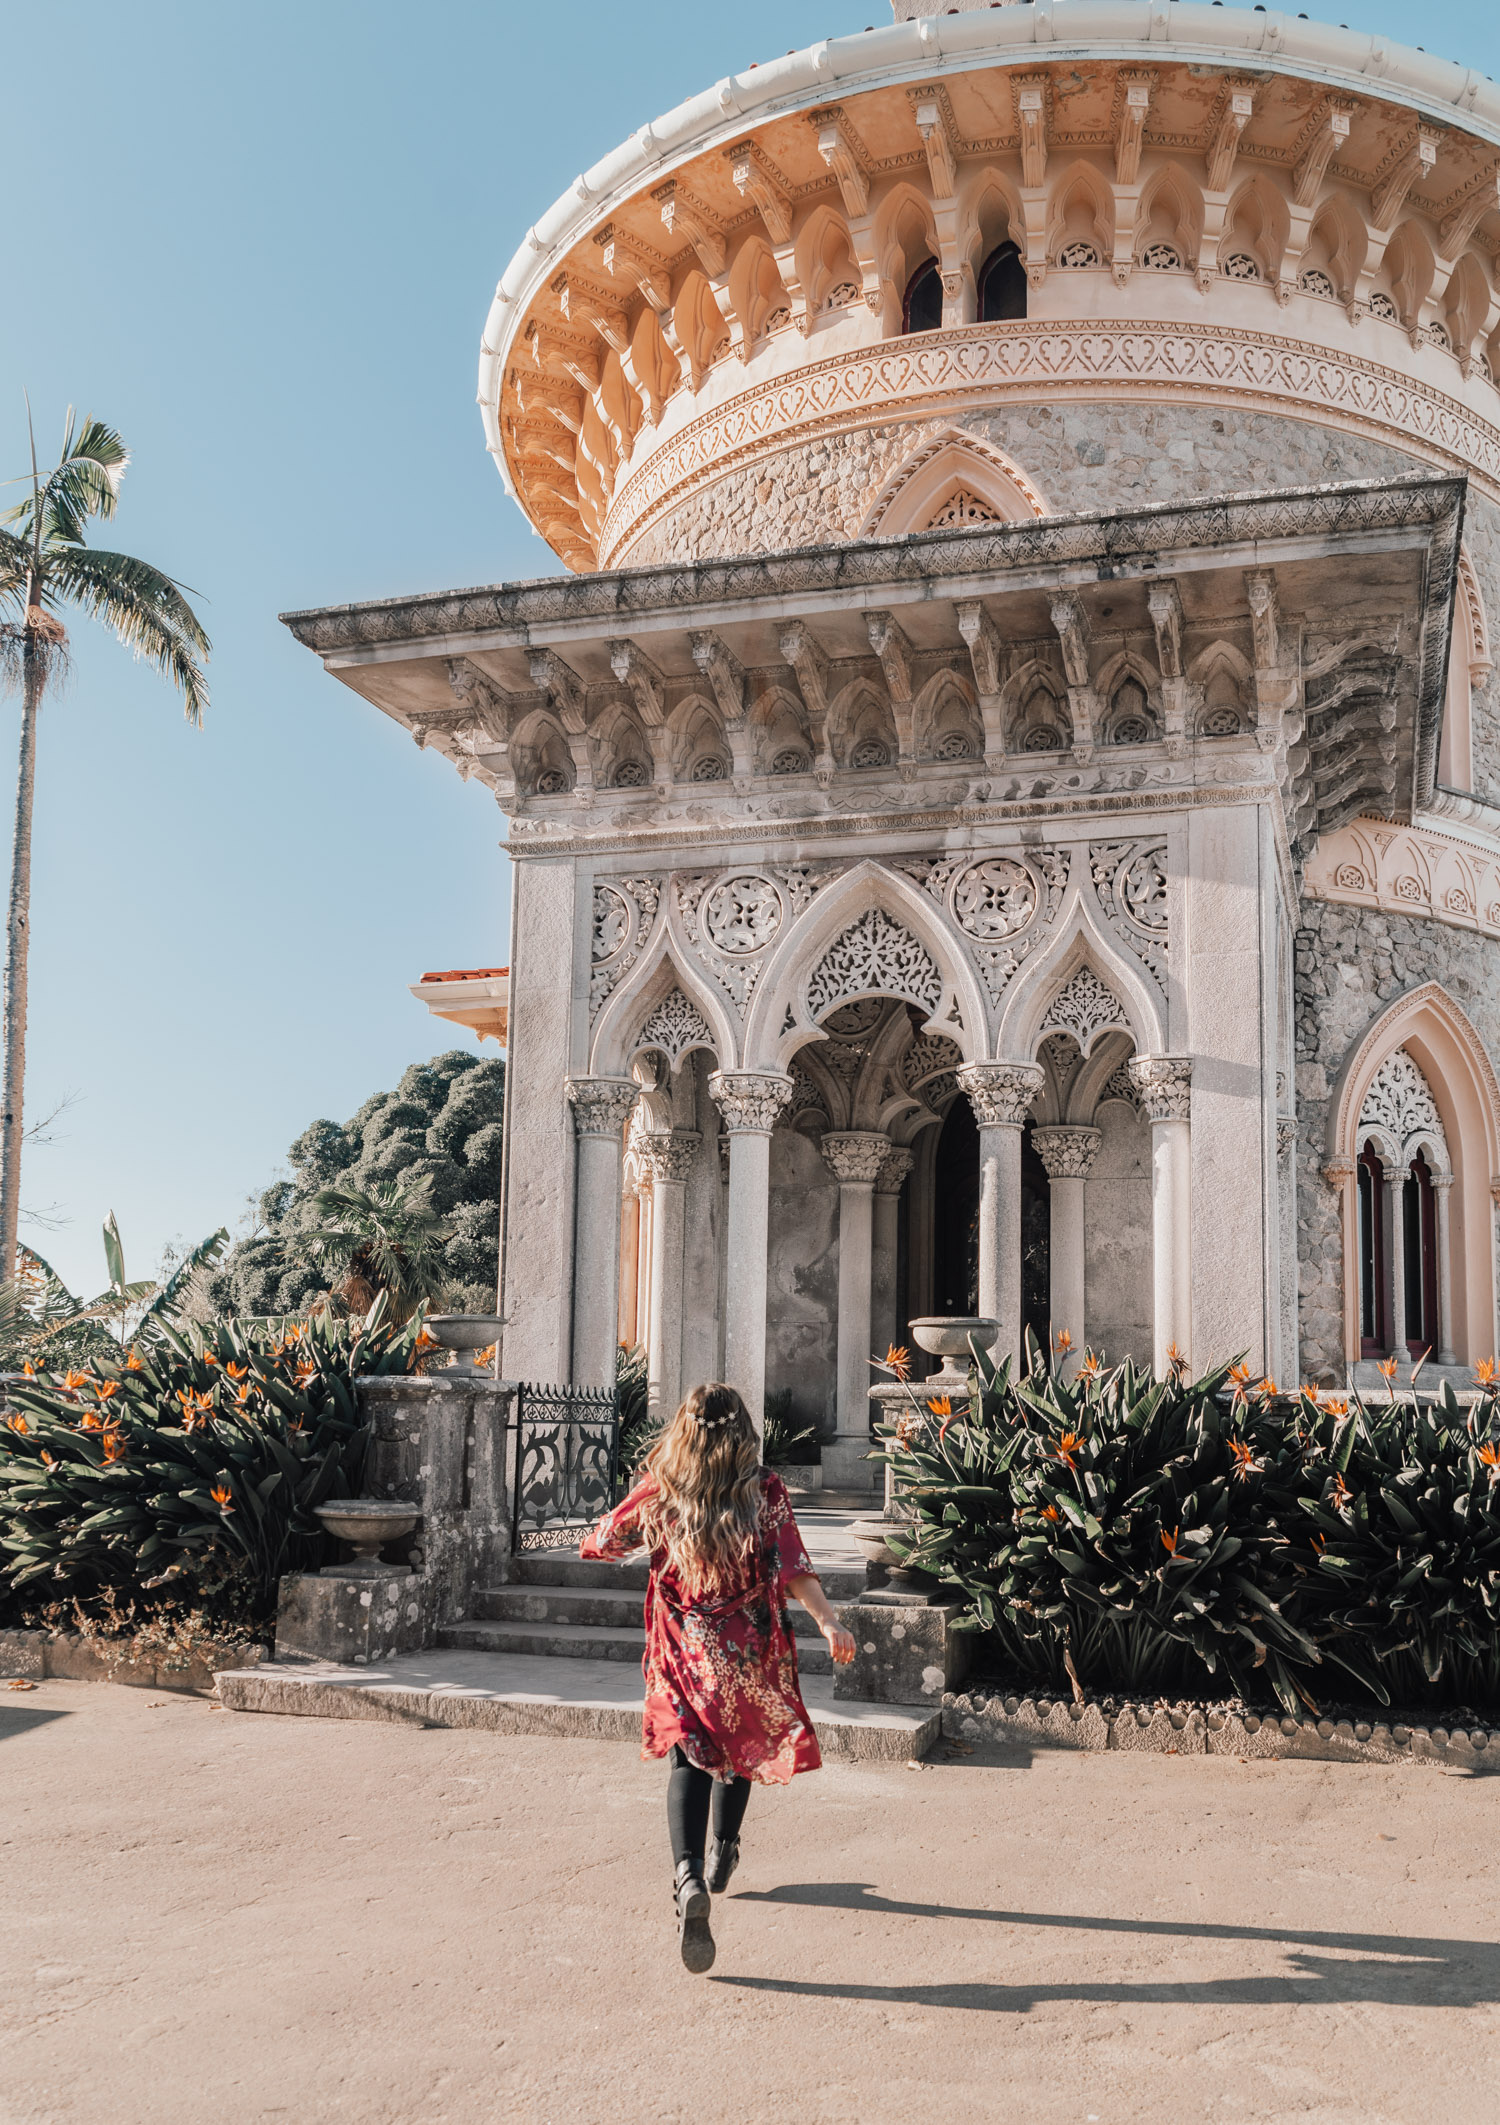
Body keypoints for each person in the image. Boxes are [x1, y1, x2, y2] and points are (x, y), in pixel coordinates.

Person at [580, 1380, 857, 1973]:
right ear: (743, 1430)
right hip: (745, 1649)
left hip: (682, 1647)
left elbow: (601, 1543)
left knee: (688, 1758)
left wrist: (619, 1533)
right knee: (741, 1747)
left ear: (683, 1427)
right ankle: (723, 1851)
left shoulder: (662, 1488)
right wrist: (829, 1621)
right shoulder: (764, 1490)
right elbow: (793, 1566)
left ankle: (686, 1879)